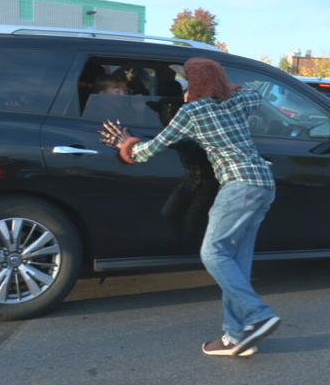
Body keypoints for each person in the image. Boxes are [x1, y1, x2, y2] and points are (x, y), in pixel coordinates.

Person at [100, 57, 280, 358]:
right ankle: (235, 337)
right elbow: (254, 93)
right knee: (236, 262)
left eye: (186, 81)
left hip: (238, 187)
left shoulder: (192, 113)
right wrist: (224, 88)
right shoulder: (238, 103)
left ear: (195, 85)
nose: (182, 85)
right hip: (264, 185)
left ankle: (258, 315)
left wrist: (125, 143)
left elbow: (148, 151)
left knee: (212, 253)